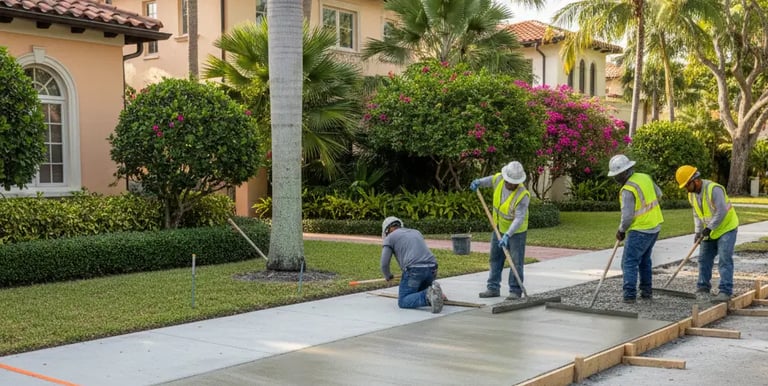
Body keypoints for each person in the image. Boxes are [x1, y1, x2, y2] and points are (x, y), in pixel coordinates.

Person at [675, 165, 739, 302]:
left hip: (726, 228)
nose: (686, 188)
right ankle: (703, 287)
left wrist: (709, 228)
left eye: (687, 185)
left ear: (695, 180)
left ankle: (725, 291)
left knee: (724, 259)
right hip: (710, 230)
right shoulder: (691, 195)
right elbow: (697, 214)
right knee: (704, 259)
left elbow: (721, 211)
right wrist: (698, 231)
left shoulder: (713, 189)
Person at [607, 154, 664, 303]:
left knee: (629, 262)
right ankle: (646, 291)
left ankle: (629, 295)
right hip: (655, 226)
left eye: (617, 175)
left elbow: (627, 217)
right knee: (645, 260)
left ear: (625, 172)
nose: (616, 178)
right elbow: (659, 194)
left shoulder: (628, 189)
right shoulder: (644, 177)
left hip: (640, 229)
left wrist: (621, 230)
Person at [470, 161, 530, 300]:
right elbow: (489, 180)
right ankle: (493, 288)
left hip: (516, 232)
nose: (511, 184)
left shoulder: (523, 195)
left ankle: (515, 291)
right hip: (498, 227)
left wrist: (508, 235)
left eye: (515, 182)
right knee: (495, 258)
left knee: (516, 262)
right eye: (509, 181)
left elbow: (519, 218)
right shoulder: (499, 179)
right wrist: (478, 182)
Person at [380, 216, 444, 313]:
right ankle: (435, 293)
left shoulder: (390, 238)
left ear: (387, 230)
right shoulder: (416, 232)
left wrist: (388, 276)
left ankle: (428, 295)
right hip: (432, 269)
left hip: (414, 271)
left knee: (403, 300)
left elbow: (384, 264)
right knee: (418, 291)